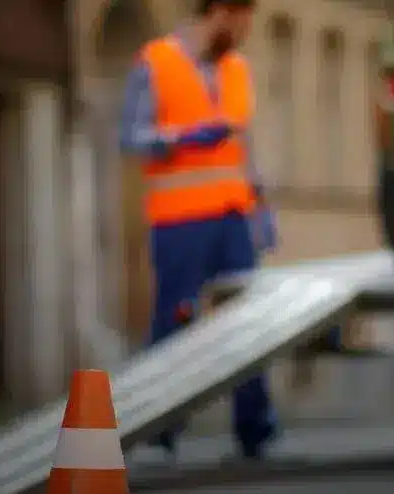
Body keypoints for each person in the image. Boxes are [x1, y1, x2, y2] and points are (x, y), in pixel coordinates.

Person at [119, 0, 277, 460]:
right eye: (243, 19)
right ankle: (160, 433)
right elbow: (130, 136)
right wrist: (182, 139)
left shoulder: (237, 70)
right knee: (176, 321)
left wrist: (262, 213)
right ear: (220, 12)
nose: (246, 30)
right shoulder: (156, 64)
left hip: (233, 218)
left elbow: (242, 146)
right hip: (180, 220)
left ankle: (256, 432)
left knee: (247, 322)